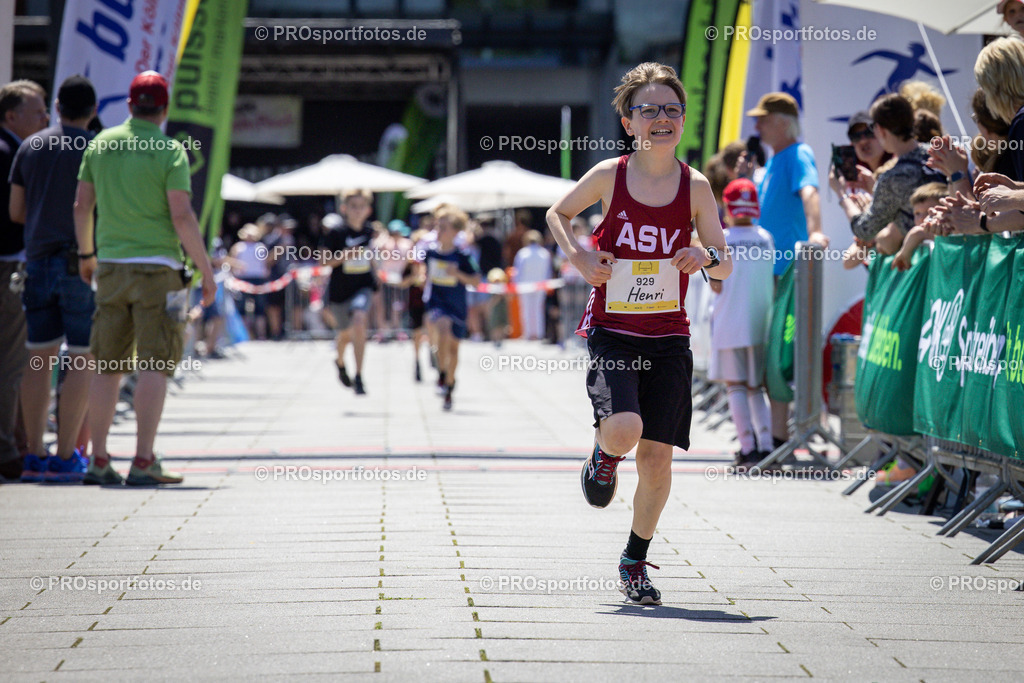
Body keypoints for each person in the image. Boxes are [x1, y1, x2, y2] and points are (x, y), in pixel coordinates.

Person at [547, 62, 731, 605]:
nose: (661, 119)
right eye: (648, 110)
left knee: (656, 459)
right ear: (629, 122)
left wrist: (704, 254)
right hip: (615, 331)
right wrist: (580, 256)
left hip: (669, 337)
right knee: (624, 429)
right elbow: (558, 213)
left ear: (682, 120)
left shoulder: (696, 187)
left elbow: (722, 262)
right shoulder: (610, 175)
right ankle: (603, 457)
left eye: (671, 109)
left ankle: (635, 559)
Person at [74, 70, 216, 486]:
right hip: (160, 271)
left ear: (130, 106)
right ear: (165, 108)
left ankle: (98, 460)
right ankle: (143, 460)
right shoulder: (170, 151)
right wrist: (206, 272)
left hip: (112, 267)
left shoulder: (101, 144)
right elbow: (182, 215)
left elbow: (82, 206)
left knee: (106, 364)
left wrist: (87, 255)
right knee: (155, 362)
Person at [8, 75, 97, 483]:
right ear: (93, 111)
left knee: (38, 357)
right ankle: (65, 455)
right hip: (81, 262)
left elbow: (16, 211)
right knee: (80, 355)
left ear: (57, 106)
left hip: (37, 261)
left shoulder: (30, 145)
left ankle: (33, 454)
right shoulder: (96, 148)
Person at [746, 91, 827, 450]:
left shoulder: (798, 153)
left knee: (785, 356)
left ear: (783, 122)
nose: (757, 124)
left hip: (788, 274)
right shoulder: (778, 159)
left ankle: (796, 433)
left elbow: (810, 192)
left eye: (763, 118)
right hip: (771, 274)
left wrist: (815, 232)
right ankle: (780, 438)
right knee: (773, 359)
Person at [708, 179, 774, 470]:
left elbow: (716, 286)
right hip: (761, 323)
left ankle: (747, 448)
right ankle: (767, 446)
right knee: (756, 387)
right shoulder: (766, 237)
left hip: (729, 323)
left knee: (735, 386)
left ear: (726, 205)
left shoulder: (721, 239)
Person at [0, 79, 48, 482]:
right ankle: (8, 449)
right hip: (8, 269)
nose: (46, 118)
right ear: (11, 116)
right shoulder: (13, 154)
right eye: (38, 111)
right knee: (12, 363)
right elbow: (17, 214)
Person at [421, 205, 481, 411]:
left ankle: (449, 382)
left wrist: (458, 274)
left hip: (458, 306)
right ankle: (440, 370)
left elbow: (476, 279)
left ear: (456, 231)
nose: (439, 231)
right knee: (442, 327)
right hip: (437, 303)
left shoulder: (463, 255)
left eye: (444, 227)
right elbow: (423, 274)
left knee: (454, 350)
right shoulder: (429, 253)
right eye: (438, 226)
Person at [322, 189, 375, 395]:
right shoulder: (336, 233)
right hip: (340, 291)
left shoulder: (371, 233)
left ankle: (360, 375)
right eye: (353, 206)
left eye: (361, 206)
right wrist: (344, 256)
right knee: (344, 334)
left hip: (363, 286)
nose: (357, 211)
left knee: (360, 321)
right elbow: (324, 261)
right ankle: (340, 361)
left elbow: (375, 257)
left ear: (368, 210)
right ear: (344, 208)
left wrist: (378, 270)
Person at [230, 223, 270, 340]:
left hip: (257, 278)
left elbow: (265, 263)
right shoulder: (239, 247)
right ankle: (245, 334)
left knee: (259, 309)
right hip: (243, 279)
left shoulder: (260, 246)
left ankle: (260, 335)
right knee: (242, 308)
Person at [513, 230, 552, 341]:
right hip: (540, 285)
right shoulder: (544, 253)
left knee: (526, 309)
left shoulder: (522, 253)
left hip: (525, 285)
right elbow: (548, 272)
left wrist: (515, 284)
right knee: (538, 310)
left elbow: (518, 271)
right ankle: (538, 333)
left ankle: (528, 333)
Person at [263, 213, 296, 340]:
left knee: (291, 305)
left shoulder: (291, 239)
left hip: (289, 277)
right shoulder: (270, 240)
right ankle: (276, 333)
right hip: (274, 277)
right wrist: (281, 247)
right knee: (274, 307)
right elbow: (267, 261)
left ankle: (292, 331)